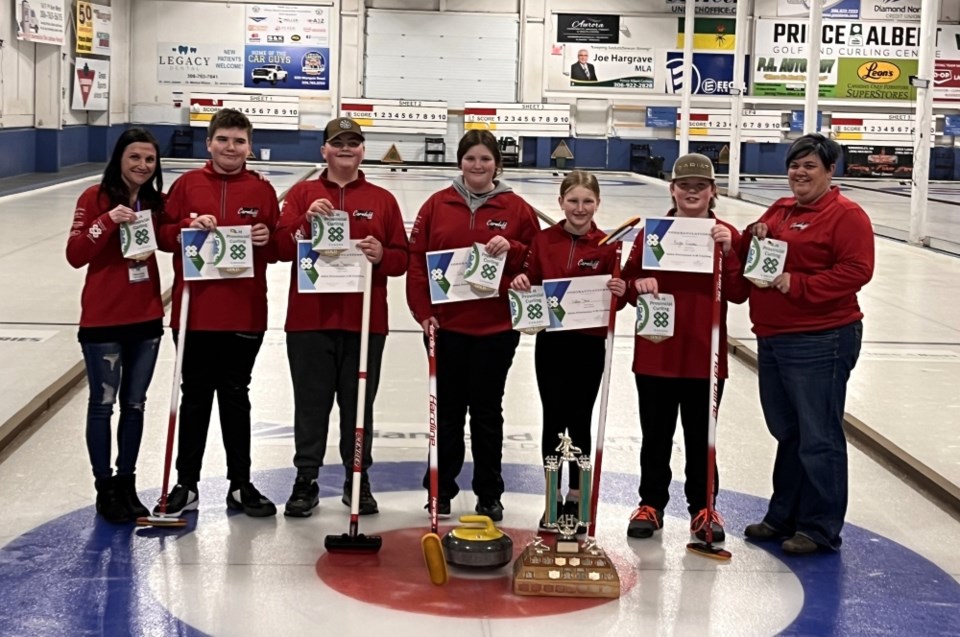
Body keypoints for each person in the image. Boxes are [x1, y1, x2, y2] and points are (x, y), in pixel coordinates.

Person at [733, 133, 874, 554]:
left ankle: (818, 526)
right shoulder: (780, 209)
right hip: (774, 336)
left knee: (818, 436)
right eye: (795, 165)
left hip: (821, 338)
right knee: (787, 431)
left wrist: (801, 283)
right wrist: (751, 233)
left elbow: (857, 271)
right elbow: (754, 254)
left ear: (831, 171)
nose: (800, 172)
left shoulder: (846, 215)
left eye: (811, 166)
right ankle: (784, 515)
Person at [274, 118, 409, 518]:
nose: (346, 149)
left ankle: (357, 478)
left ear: (362, 150)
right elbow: (281, 248)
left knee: (358, 406)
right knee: (311, 405)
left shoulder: (383, 199)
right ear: (324, 151)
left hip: (364, 321)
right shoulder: (302, 194)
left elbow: (402, 259)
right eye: (338, 143)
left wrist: (381, 254)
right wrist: (304, 221)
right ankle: (306, 479)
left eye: (353, 143)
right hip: (309, 320)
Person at [406, 129, 540, 522]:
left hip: (495, 329)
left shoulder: (517, 209)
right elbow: (417, 261)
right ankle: (440, 488)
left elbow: (536, 260)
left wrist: (513, 249)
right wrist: (422, 312)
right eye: (470, 159)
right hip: (445, 328)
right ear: (460, 162)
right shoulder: (436, 205)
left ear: (497, 163)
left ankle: (489, 492)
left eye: (485, 159)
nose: (477, 166)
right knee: (446, 411)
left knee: (485, 412)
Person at [155, 108, 281, 518]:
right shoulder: (187, 185)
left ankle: (240, 483)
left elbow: (278, 248)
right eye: (223, 139)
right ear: (209, 143)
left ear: (249, 146)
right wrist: (187, 226)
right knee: (194, 398)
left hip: (244, 313)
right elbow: (162, 235)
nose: (231, 148)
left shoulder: (261, 190)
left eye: (239, 141)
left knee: (235, 397)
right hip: (195, 314)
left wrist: (265, 237)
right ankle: (186, 483)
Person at [620, 153, 741, 543]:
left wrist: (730, 254)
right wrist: (640, 285)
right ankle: (651, 503)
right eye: (684, 186)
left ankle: (703, 506)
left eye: (700, 186)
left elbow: (738, 293)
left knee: (701, 438)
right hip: (657, 353)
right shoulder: (653, 233)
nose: (692, 192)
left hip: (705, 357)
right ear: (672, 189)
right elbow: (627, 283)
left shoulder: (725, 234)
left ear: (712, 191)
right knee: (655, 435)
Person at [509, 170, 625, 529]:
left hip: (589, 345)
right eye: (572, 200)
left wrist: (620, 292)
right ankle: (551, 497)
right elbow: (531, 285)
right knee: (553, 418)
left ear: (597, 204)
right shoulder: (543, 242)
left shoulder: (609, 244)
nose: (580, 207)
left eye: (587, 201)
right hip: (553, 344)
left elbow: (616, 303)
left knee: (580, 420)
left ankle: (578, 495)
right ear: (560, 203)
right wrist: (522, 282)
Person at [66, 128, 166, 524]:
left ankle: (127, 480)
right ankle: (104, 485)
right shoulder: (94, 197)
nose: (142, 166)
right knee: (102, 405)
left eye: (149, 160)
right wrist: (106, 221)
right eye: (134, 158)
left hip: (146, 319)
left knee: (136, 404)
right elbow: (75, 255)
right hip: (103, 321)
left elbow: (175, 238)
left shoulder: (155, 202)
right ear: (119, 159)